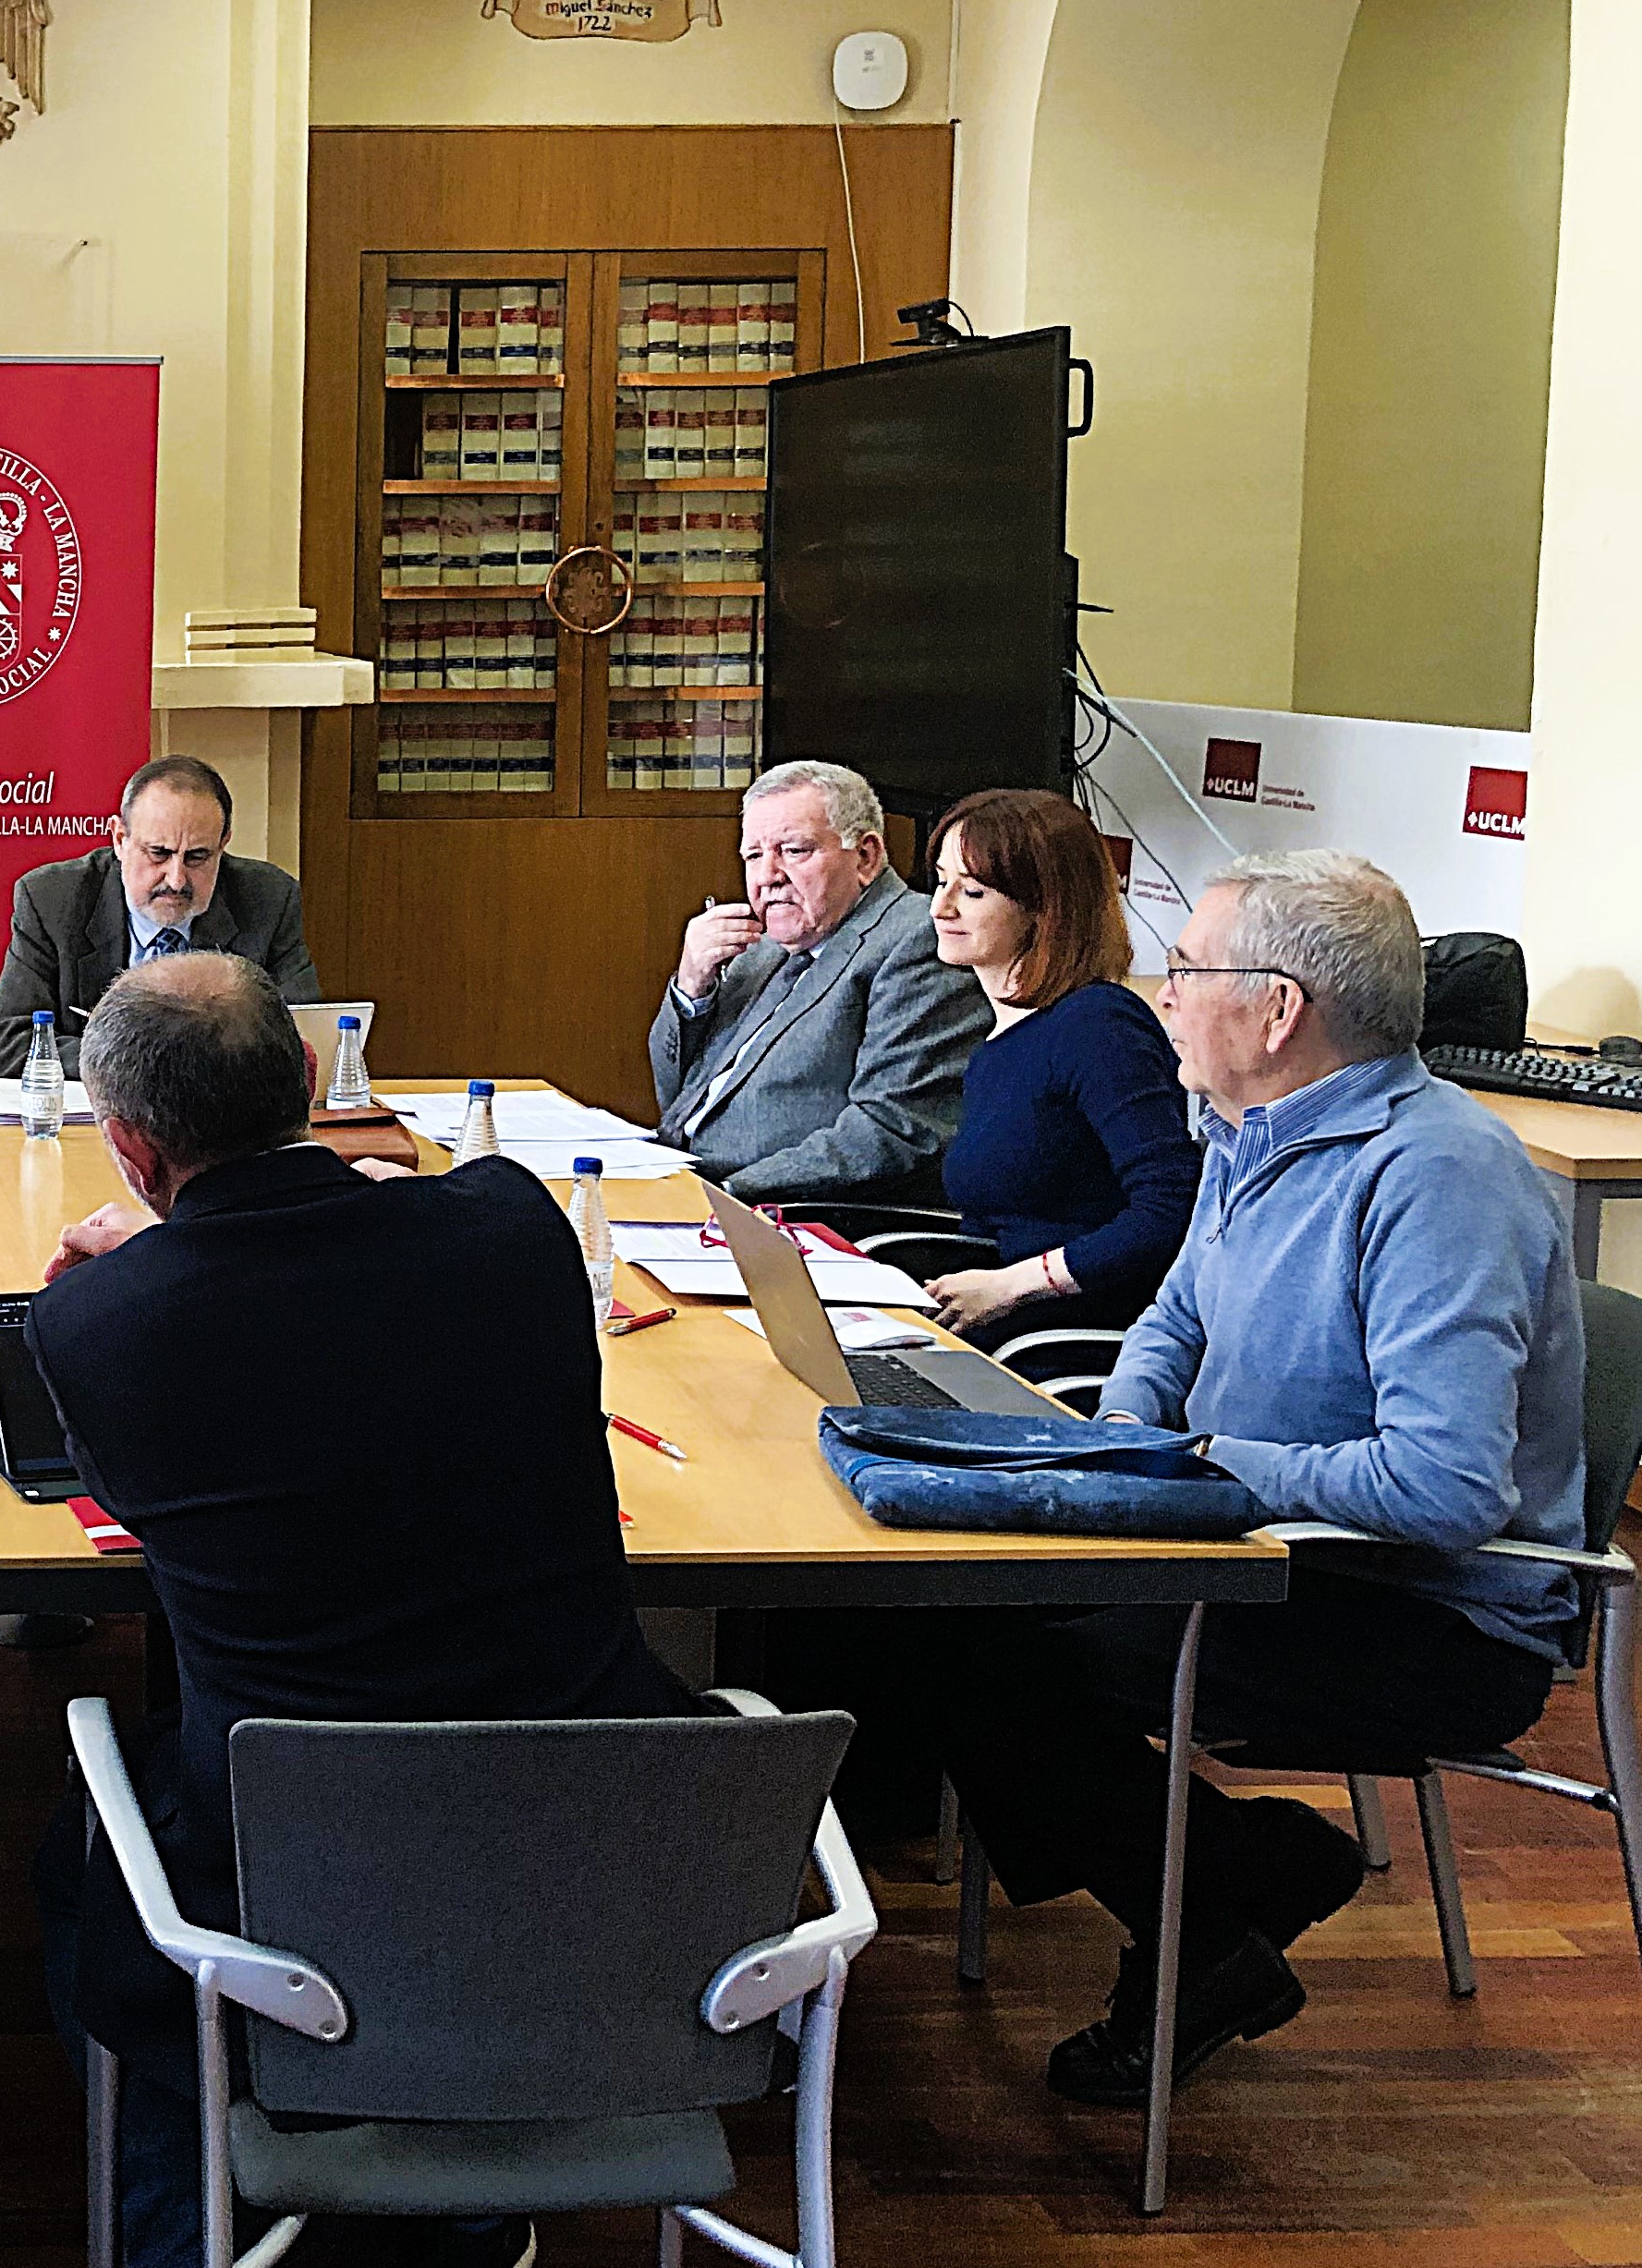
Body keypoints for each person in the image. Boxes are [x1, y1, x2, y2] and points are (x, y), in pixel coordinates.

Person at [783, 852, 1585, 2108]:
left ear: (1277, 1010)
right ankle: (1223, 1886)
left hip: (1420, 1610)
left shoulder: (1436, 1176)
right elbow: (1172, 1319)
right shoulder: (1249, 1127)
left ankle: (1218, 1894)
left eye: (1187, 970)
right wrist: (1122, 1433)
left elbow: (1446, 1486)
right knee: (901, 1610)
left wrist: (1190, 1465)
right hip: (1245, 1542)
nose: (1161, 995)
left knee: (987, 1659)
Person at [25, 952, 691, 2268]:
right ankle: (468, 2220)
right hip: (603, 1834)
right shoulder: (514, 1229)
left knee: (80, 1849)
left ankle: (186, 2242)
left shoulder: (99, 1321)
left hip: (290, 1859)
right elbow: (427, 1225)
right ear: (321, 1084)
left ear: (133, 1149)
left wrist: (137, 1259)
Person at [917, 788, 1198, 1340]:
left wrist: (1017, 1283)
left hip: (1054, 1340)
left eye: (971, 892)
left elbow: (1171, 1208)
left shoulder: (1098, 1026)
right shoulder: (999, 1039)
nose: (940, 907)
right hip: (985, 1325)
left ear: (1044, 910)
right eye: (940, 881)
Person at [649, 758, 987, 1203]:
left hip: (781, 1210)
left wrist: (726, 1194)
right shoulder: (769, 943)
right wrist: (692, 988)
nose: (767, 877)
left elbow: (892, 1128)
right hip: (681, 1179)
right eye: (754, 856)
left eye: (794, 850)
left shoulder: (918, 940)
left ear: (866, 856)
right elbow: (675, 1098)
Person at [0, 755, 320, 1078]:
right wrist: (140, 1064)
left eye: (197, 857)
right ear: (120, 839)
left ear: (223, 843)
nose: (176, 879)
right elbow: (6, 1043)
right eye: (159, 854)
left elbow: (303, 1040)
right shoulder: (54, 899)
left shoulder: (268, 899)